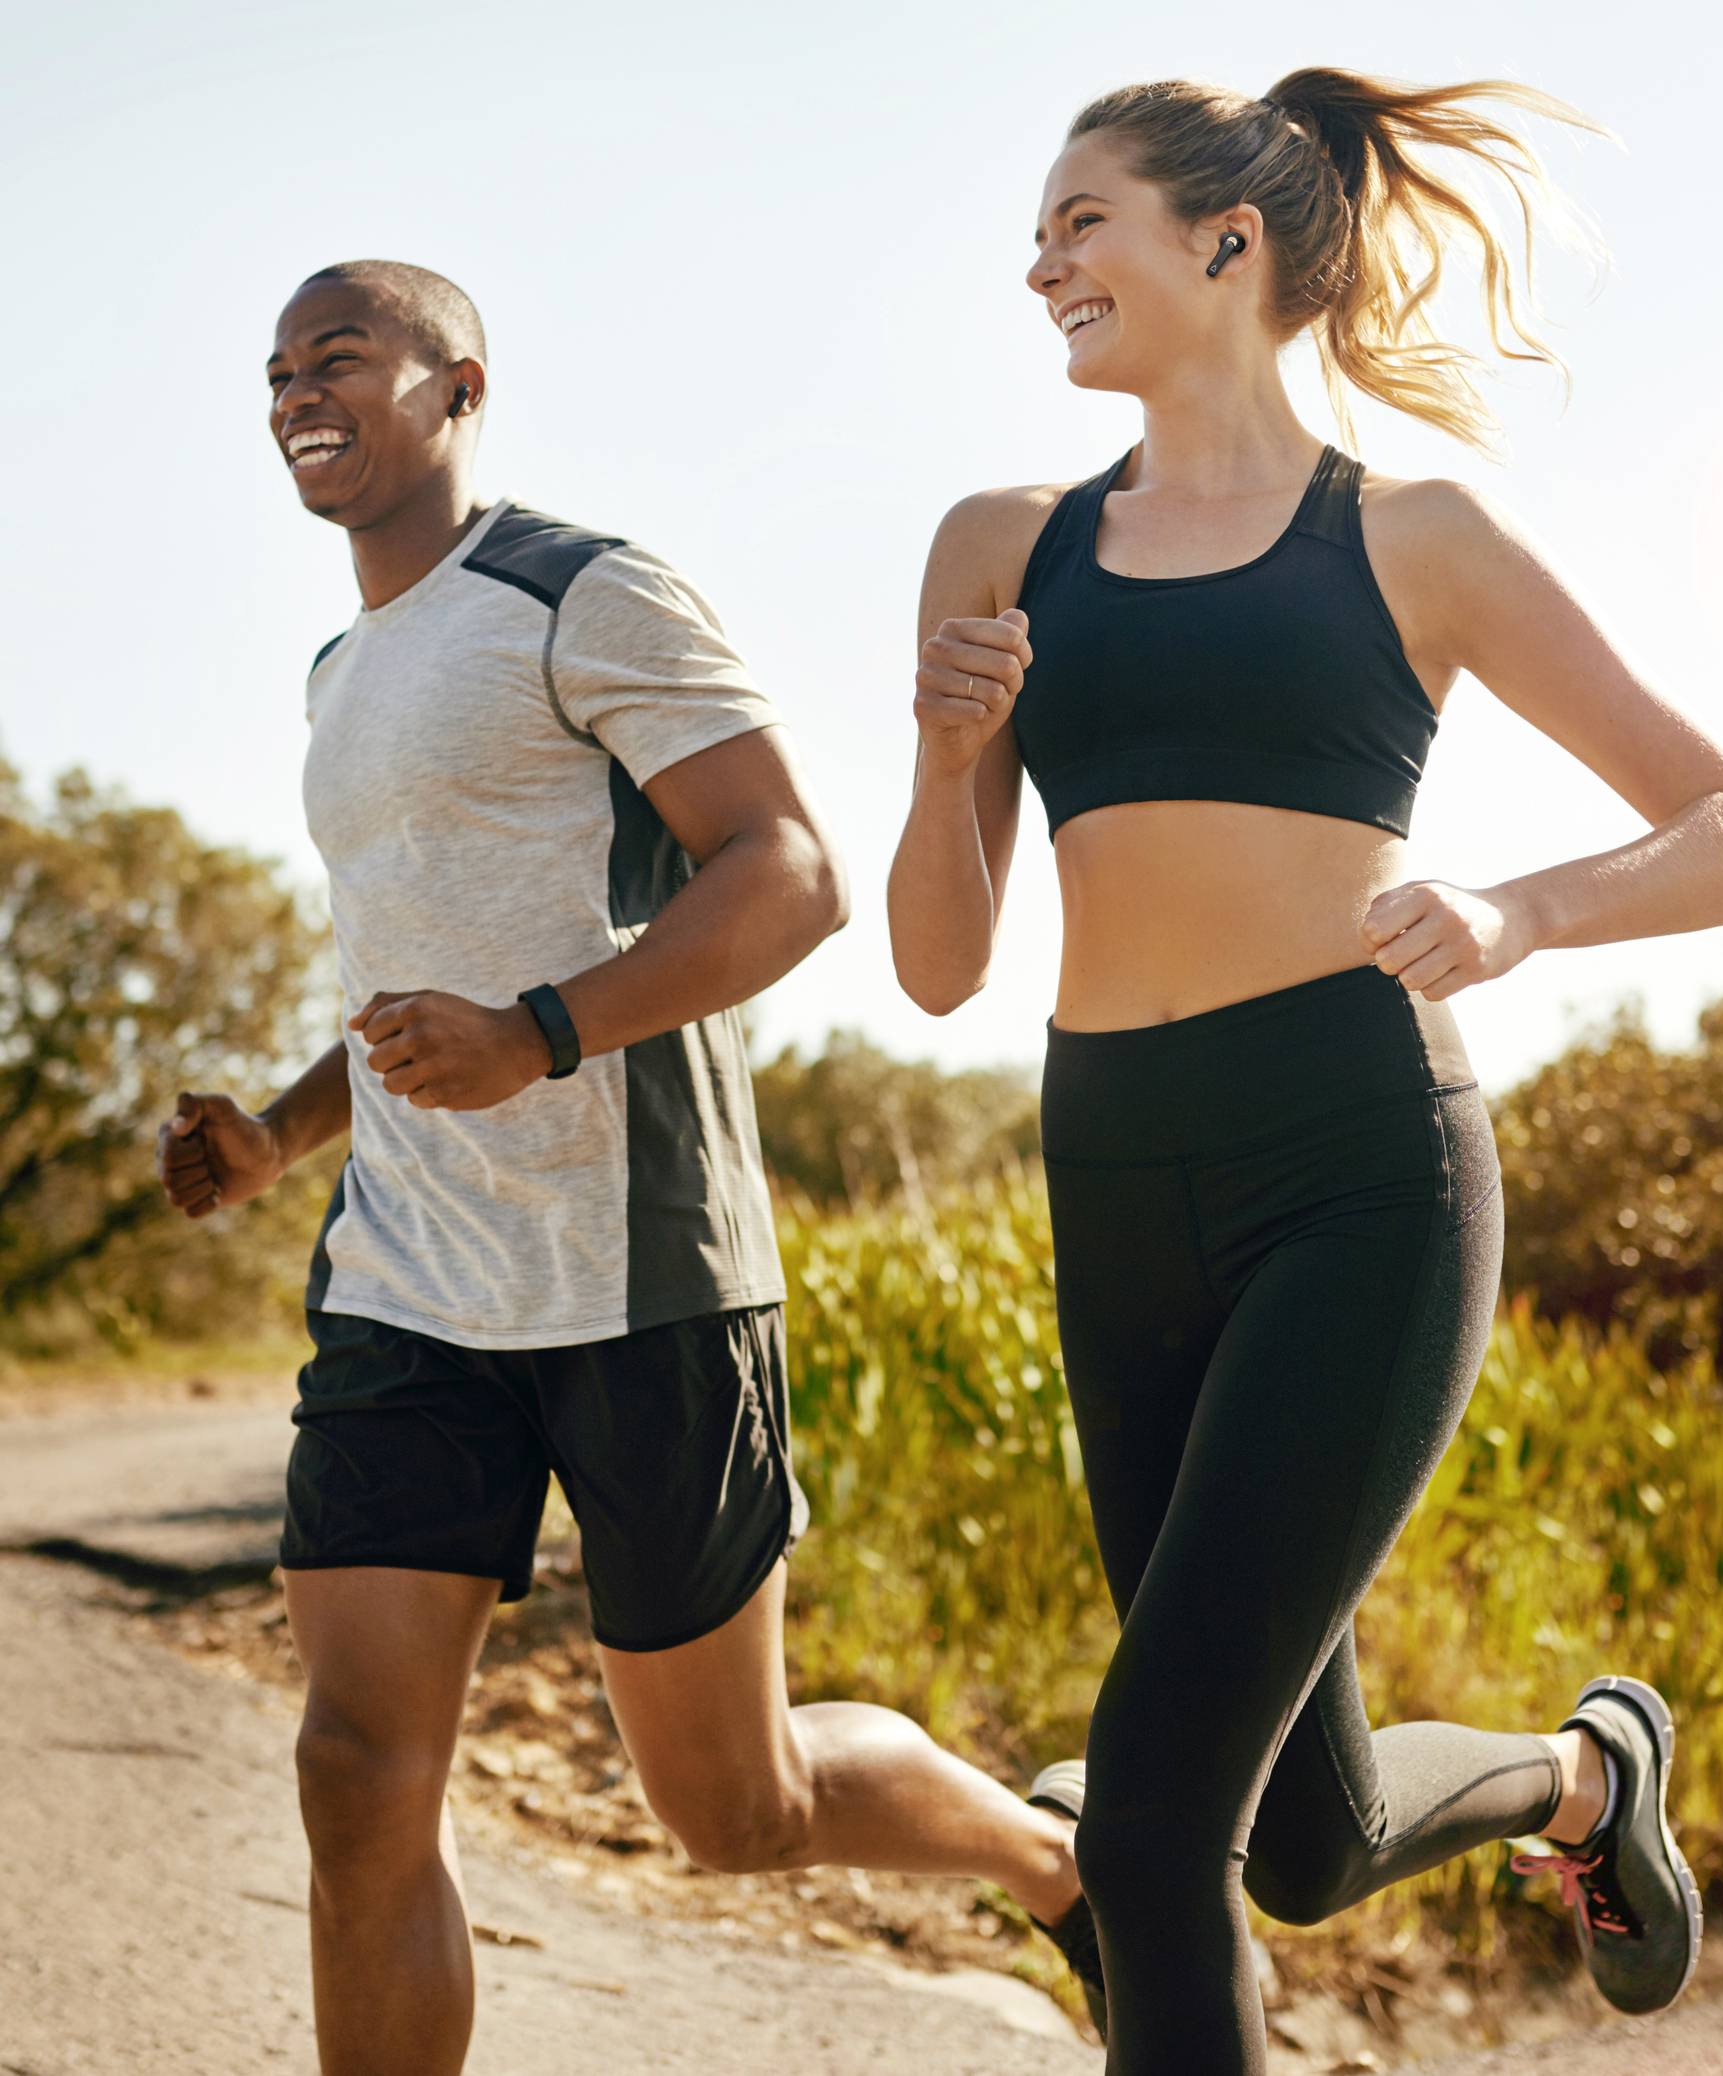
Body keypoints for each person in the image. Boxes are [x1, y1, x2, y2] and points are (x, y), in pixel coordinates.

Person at [885, 68, 1723, 2072]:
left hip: (1354, 1169)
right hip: (1115, 1172)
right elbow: (942, 965)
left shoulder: (1415, 539)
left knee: (1141, 1823)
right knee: (1299, 1842)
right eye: (1042, 230)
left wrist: (1520, 914)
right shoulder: (998, 543)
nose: (1040, 263)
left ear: (1224, 243)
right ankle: (1589, 1780)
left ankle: (1571, 1787)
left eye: (1080, 221)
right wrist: (955, 752)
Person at [160, 260, 1097, 2076]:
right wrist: (280, 1135)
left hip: (642, 1272)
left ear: (459, 383)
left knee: (730, 1810)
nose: (296, 390)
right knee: (357, 1779)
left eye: (338, 357)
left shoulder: (581, 590)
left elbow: (790, 873)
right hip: (408, 1282)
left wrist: (543, 1031)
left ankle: (1061, 1869)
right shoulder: (341, 668)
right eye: (276, 371)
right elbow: (396, 977)